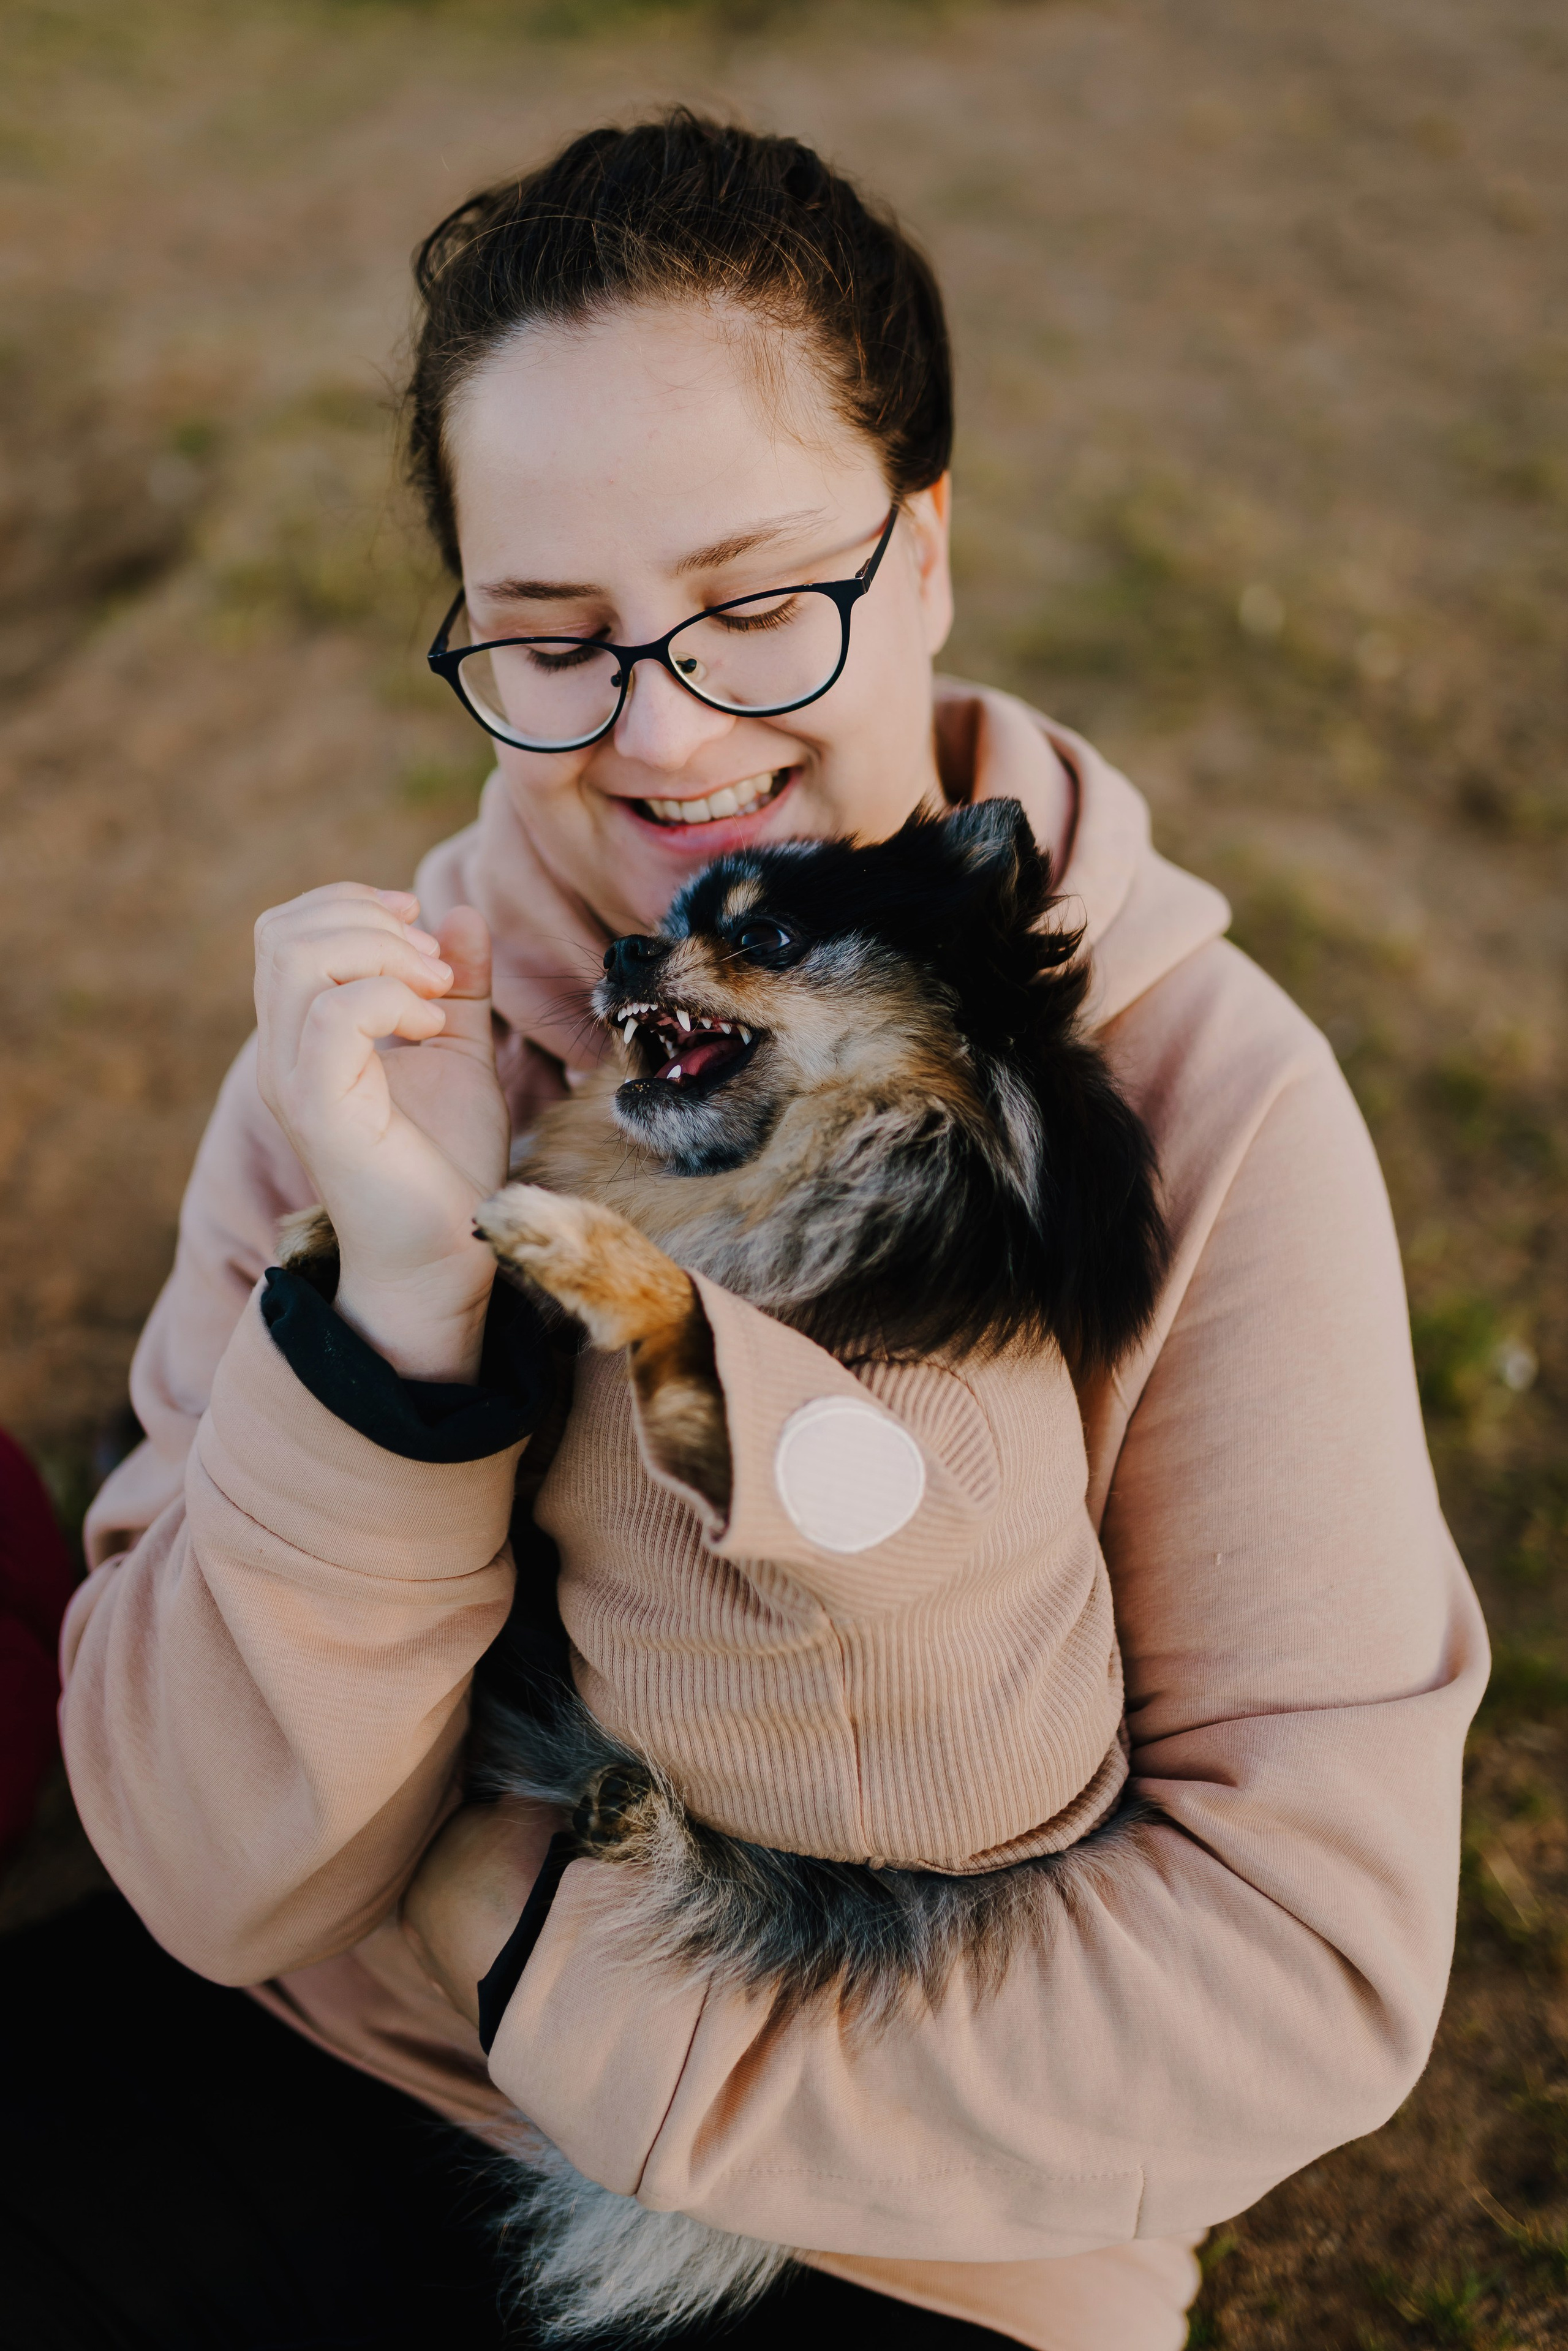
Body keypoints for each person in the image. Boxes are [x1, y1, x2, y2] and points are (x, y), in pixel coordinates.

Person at [18, 112, 1483, 2351]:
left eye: (755, 603)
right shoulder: (380, 1049)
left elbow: (1302, 1975)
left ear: (925, 557)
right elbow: (214, 1872)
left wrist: (546, 1966)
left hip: (897, 2214)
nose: (666, 730)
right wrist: (396, 1319)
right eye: (556, 636)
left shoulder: (1219, 1109)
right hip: (333, 2061)